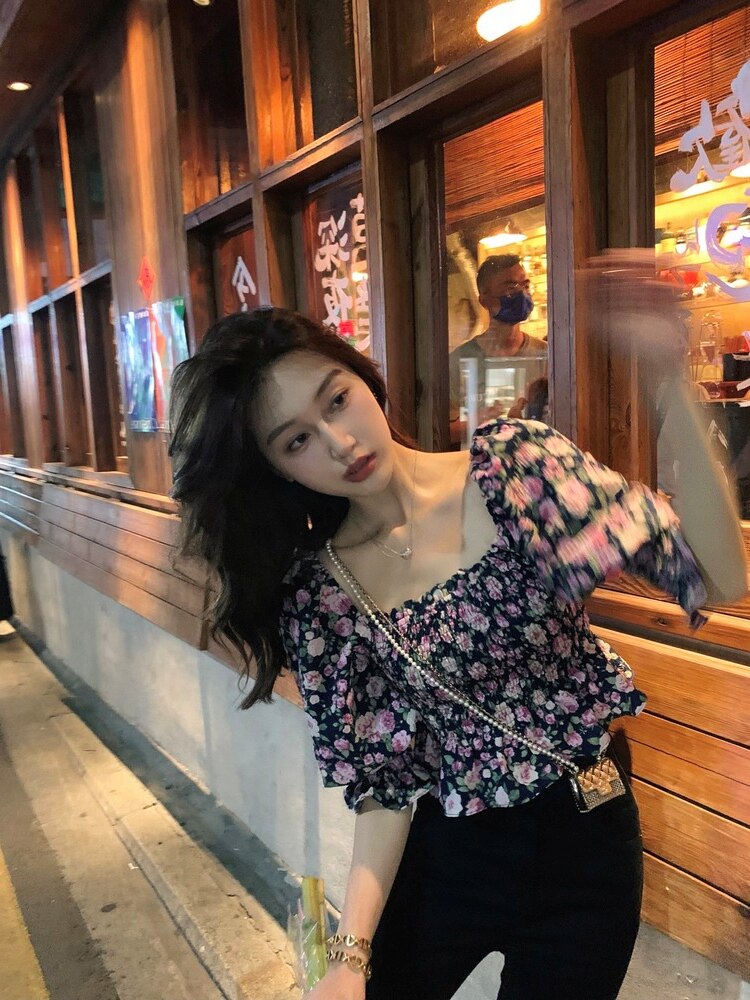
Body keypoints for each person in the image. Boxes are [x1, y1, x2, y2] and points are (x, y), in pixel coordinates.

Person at [168, 269, 744, 999]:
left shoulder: (516, 472)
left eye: (337, 400)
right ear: (276, 469)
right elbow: (385, 786)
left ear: (362, 377)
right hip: (450, 851)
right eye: (297, 441)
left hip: (584, 841)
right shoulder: (322, 592)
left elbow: (721, 579)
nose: (340, 443)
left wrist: (671, 378)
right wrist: (349, 956)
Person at [449, 254, 546, 445]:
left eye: (525, 285)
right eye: (511, 288)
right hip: (479, 461)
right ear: (484, 300)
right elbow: (441, 432)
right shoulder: (459, 360)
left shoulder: (546, 355)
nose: (522, 294)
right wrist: (482, 422)